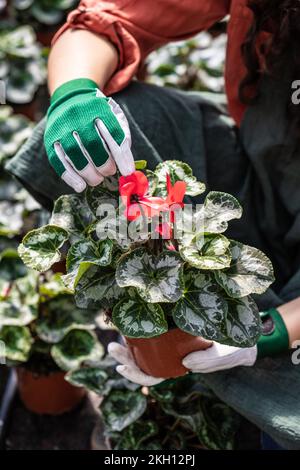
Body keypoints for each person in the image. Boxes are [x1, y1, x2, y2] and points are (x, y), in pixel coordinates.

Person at [5, 0, 300, 449]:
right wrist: (74, 95)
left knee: (286, 417)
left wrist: (266, 333)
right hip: (263, 181)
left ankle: (257, 388)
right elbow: (112, 19)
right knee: (133, 115)